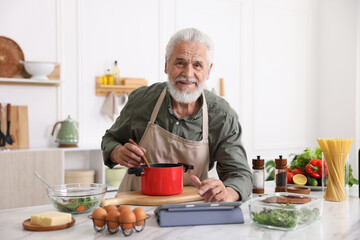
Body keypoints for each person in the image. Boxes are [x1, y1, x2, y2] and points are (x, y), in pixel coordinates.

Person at [101, 28, 252, 202]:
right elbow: (110, 139)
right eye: (180, 63)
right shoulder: (141, 100)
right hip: (135, 207)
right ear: (166, 65)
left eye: (197, 65)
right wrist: (117, 152)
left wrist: (228, 192)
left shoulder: (222, 116)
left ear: (208, 70)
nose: (188, 74)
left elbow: (240, 174)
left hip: (188, 212)